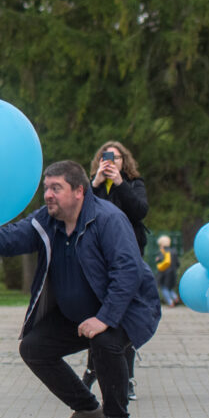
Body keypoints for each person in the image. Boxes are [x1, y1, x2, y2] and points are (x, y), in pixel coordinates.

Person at [0, 160, 162, 418]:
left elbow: (127, 272)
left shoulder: (108, 219)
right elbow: (12, 238)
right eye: (46, 188)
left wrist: (105, 318)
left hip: (128, 309)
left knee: (105, 341)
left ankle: (117, 417)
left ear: (79, 191)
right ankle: (87, 410)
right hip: (79, 313)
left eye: (56, 188)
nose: (48, 195)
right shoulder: (47, 220)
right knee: (33, 348)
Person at [84, 141, 148, 398]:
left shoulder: (133, 183)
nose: (111, 162)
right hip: (99, 259)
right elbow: (82, 211)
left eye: (116, 158)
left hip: (128, 258)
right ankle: (91, 371)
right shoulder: (94, 185)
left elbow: (140, 211)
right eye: (106, 158)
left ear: (125, 162)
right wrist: (95, 183)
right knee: (98, 316)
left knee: (124, 318)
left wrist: (120, 183)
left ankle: (127, 377)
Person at [154, 235, 180, 307]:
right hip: (173, 272)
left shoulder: (162, 252)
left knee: (164, 288)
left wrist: (157, 259)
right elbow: (178, 263)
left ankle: (170, 302)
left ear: (161, 244)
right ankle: (175, 297)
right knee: (170, 288)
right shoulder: (174, 251)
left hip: (163, 273)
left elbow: (160, 262)